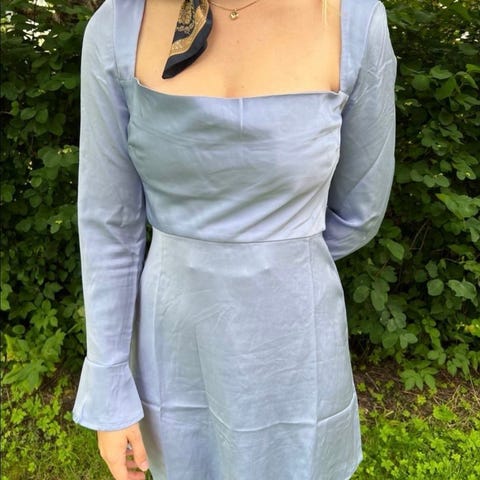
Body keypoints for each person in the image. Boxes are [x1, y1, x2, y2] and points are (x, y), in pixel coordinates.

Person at [72, 0, 396, 478]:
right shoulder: (119, 24)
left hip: (296, 352)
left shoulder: (353, 22)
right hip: (174, 353)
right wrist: (109, 381)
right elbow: (109, 223)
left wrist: (280, 258)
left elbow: (360, 210)